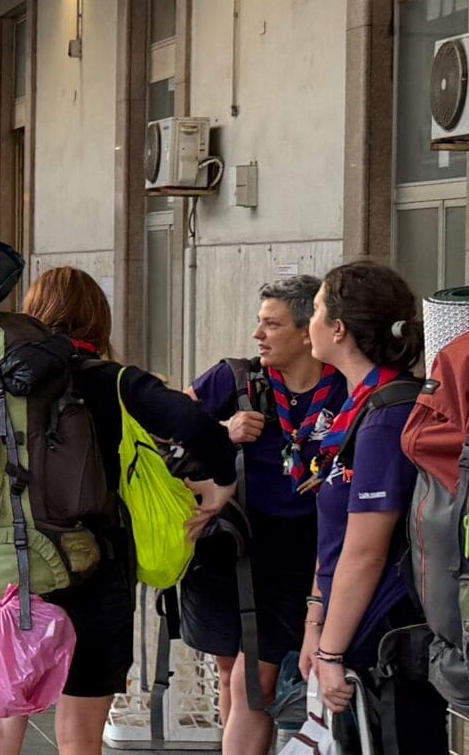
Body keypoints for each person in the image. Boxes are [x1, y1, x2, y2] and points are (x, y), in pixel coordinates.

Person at [0, 267, 239, 755]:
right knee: (79, 734)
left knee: (0, 723)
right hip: (96, 565)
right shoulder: (114, 381)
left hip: (16, 564)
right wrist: (221, 482)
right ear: (99, 319)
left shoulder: (3, 382)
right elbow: (194, 421)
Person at [182, 275, 343, 755]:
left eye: (271, 324)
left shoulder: (345, 390)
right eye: (259, 322)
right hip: (228, 546)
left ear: (306, 330)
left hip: (301, 552)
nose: (258, 335)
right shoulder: (233, 379)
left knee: (255, 680)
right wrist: (221, 432)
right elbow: (162, 436)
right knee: (233, 672)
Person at [299, 261, 446, 753]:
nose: (310, 323)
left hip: (387, 637)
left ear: (339, 329)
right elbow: (336, 537)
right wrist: (315, 623)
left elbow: (366, 552)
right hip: (351, 626)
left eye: (316, 310)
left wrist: (331, 650)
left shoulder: (388, 417)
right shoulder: (356, 406)